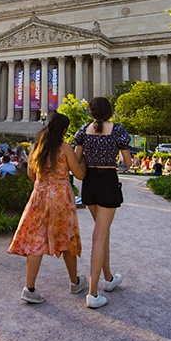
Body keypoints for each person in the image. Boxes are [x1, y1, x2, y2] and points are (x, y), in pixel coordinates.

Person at [8, 112, 86, 304]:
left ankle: (30, 288)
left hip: (40, 194)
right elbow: (80, 175)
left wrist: (43, 184)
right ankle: (75, 282)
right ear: (65, 130)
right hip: (61, 196)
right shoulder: (65, 148)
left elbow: (30, 173)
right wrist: (81, 157)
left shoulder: (37, 146)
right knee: (67, 237)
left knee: (36, 241)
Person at [72, 96, 133, 309]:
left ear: (90, 111)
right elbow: (128, 162)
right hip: (108, 182)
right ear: (109, 111)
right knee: (100, 236)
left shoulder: (82, 131)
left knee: (102, 232)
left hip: (89, 184)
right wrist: (117, 163)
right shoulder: (117, 131)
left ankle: (108, 278)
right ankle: (92, 293)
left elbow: (77, 160)